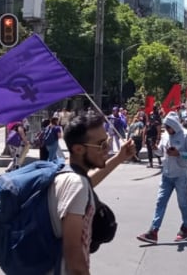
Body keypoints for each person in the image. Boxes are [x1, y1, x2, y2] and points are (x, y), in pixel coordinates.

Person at [49, 111, 135, 274]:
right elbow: (74, 260)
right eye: (102, 144)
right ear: (79, 149)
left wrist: (119, 157)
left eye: (107, 141)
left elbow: (88, 182)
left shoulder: (67, 173)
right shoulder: (77, 185)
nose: (107, 148)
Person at [137, 113, 187, 244]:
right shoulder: (165, 135)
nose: (167, 130)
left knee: (182, 203)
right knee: (160, 202)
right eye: (166, 127)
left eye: (169, 127)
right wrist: (155, 149)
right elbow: (161, 151)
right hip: (166, 174)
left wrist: (179, 153)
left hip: (181, 174)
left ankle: (185, 227)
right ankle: (153, 231)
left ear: (175, 125)